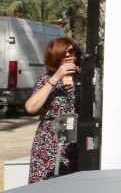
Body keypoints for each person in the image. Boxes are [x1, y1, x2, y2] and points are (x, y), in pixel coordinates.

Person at [24, 37, 81, 183]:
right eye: (63, 52)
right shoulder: (46, 80)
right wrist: (57, 77)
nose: (68, 55)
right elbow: (31, 107)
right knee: (44, 188)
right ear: (55, 56)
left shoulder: (84, 80)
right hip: (49, 143)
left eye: (71, 51)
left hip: (77, 144)